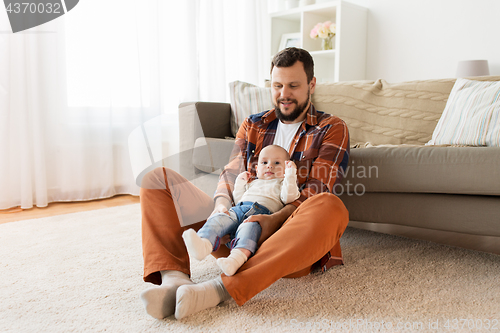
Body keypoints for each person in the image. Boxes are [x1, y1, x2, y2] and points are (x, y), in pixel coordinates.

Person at [139, 47, 350, 320]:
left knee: (331, 206)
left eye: (294, 86)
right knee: (156, 179)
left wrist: (272, 221)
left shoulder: (331, 128)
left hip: (284, 242)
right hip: (231, 228)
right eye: (277, 85)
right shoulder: (254, 124)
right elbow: (231, 173)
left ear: (311, 84)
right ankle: (175, 282)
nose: (284, 93)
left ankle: (217, 289)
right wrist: (220, 208)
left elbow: (317, 190)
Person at [182, 145, 300, 277]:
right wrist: (240, 182)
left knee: (248, 230)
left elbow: (290, 197)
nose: (269, 166)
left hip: (259, 215)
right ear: (257, 168)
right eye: (264, 162)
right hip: (238, 209)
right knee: (219, 218)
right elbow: (238, 199)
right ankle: (204, 242)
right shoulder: (253, 182)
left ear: (286, 168)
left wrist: (290, 175)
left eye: (277, 163)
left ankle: (235, 260)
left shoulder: (282, 183)